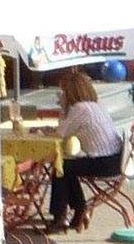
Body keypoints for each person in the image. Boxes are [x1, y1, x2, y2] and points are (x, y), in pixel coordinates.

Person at [49, 71, 126, 232]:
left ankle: (61, 214)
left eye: (63, 92)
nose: (61, 95)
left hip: (104, 161)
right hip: (116, 159)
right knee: (67, 167)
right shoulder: (96, 106)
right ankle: (77, 209)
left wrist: (63, 109)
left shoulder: (79, 109)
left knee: (61, 168)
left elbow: (60, 134)